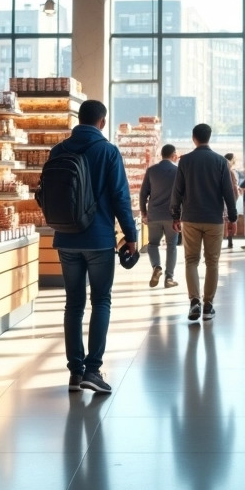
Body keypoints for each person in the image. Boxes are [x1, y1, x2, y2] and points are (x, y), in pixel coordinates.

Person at [50, 100, 137, 395]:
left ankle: (75, 373)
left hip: (65, 238)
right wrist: (131, 234)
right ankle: (93, 370)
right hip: (99, 238)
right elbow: (120, 197)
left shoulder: (58, 150)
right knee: (101, 300)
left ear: (79, 118)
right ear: (102, 121)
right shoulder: (108, 151)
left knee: (73, 304)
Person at [172, 124, 238, 322]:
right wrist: (232, 218)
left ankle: (194, 302)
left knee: (191, 260)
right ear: (210, 137)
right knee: (212, 262)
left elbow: (177, 191)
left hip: (190, 218)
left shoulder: (186, 161)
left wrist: (175, 215)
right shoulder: (220, 162)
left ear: (194, 138)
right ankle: (208, 305)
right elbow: (228, 193)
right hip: (214, 219)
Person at [140, 144, 180, 289]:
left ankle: (157, 266)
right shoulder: (177, 171)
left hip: (154, 215)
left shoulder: (151, 170)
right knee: (171, 246)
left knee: (153, 244)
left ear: (161, 155)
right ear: (173, 155)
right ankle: (169, 278)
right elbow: (183, 194)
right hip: (172, 216)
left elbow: (143, 194)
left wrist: (144, 213)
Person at [223, 152, 241, 250]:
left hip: (223, 199)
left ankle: (228, 240)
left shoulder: (221, 171)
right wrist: (236, 197)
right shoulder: (231, 172)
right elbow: (234, 187)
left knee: (227, 221)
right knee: (231, 220)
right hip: (231, 199)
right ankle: (230, 241)